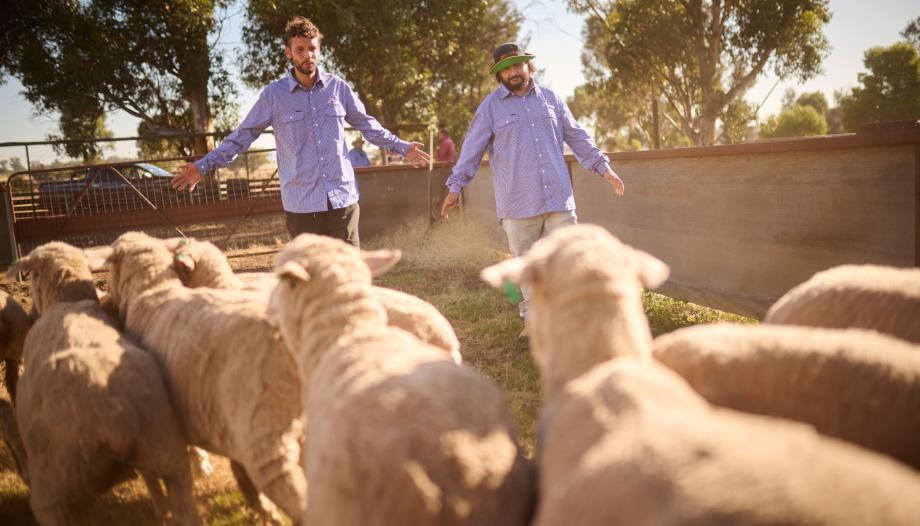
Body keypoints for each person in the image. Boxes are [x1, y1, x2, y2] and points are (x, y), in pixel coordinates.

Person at [172, 16, 429, 247]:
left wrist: (403, 147)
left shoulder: (338, 88)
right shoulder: (274, 95)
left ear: (319, 49)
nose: (308, 55)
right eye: (301, 50)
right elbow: (242, 137)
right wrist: (203, 166)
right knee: (313, 284)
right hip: (302, 209)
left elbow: (367, 125)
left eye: (312, 49)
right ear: (289, 53)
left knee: (349, 279)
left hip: (342, 202)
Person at [440, 42, 625, 336]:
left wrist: (604, 168)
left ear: (528, 66)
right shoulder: (489, 108)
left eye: (516, 65)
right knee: (525, 266)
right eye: (504, 69)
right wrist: (455, 186)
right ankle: (532, 320)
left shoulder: (551, 99)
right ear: (498, 75)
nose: (512, 72)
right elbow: (471, 152)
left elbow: (577, 136)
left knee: (570, 260)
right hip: (517, 203)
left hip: (559, 198)